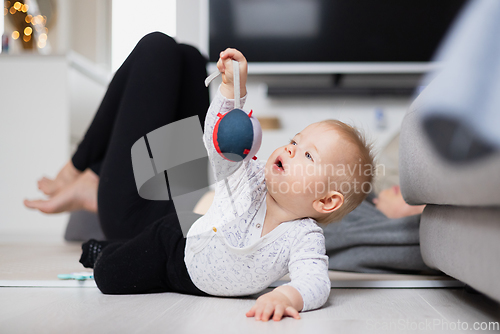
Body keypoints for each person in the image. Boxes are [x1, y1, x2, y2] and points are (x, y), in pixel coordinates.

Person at [24, 33, 375, 321]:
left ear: (326, 201)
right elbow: (220, 141)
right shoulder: (250, 177)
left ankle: (91, 190)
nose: (292, 149)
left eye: (308, 155)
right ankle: (90, 184)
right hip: (179, 230)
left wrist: (287, 295)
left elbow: (315, 280)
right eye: (295, 140)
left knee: (156, 49)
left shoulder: (303, 237)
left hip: (162, 227)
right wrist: (233, 91)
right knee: (190, 57)